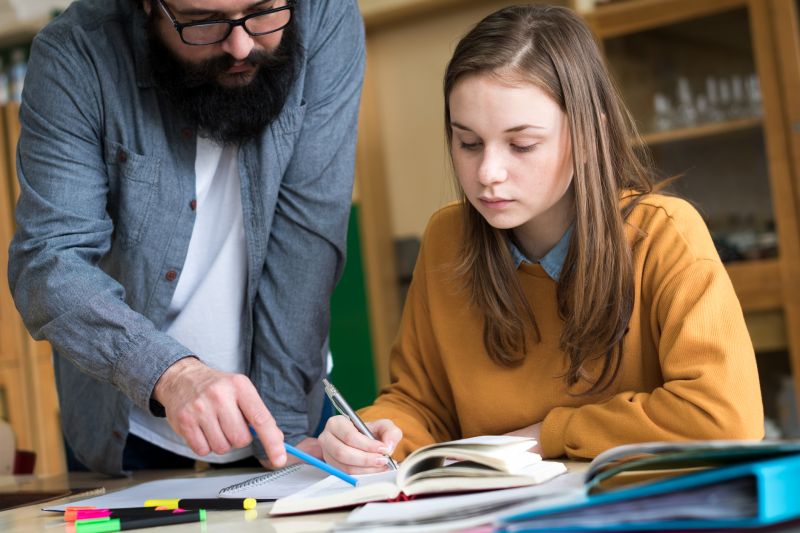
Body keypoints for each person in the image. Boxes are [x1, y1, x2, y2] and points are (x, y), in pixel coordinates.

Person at [318, 3, 764, 474]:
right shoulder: (446, 239)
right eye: (467, 143)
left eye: (522, 144)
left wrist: (548, 434)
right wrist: (373, 432)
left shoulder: (664, 234)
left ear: (590, 136)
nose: (487, 173)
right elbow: (421, 405)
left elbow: (725, 417)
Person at [8, 0, 365, 475]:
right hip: (129, 427)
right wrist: (173, 375)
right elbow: (49, 261)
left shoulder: (326, 14)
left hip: (289, 411)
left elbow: (308, 235)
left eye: (262, 12)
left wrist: (279, 428)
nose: (240, 45)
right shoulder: (76, 53)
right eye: (203, 22)